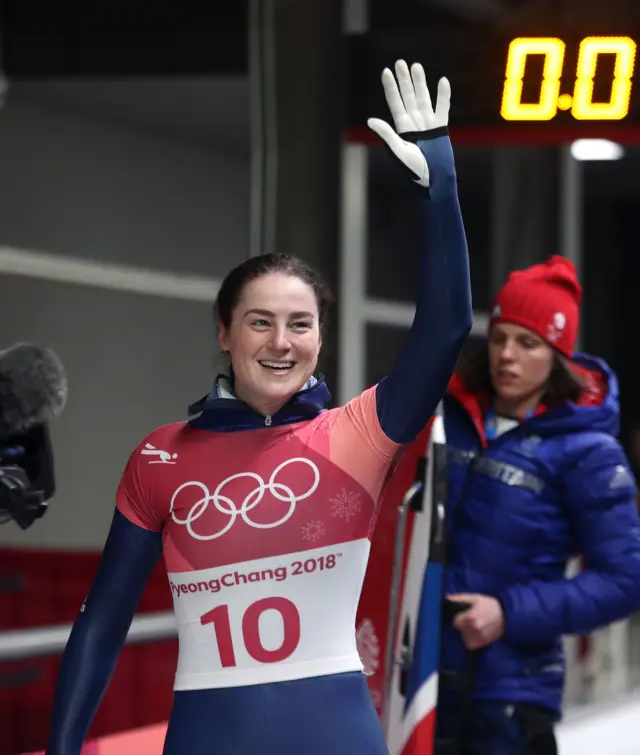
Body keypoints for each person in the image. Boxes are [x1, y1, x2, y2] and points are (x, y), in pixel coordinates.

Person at [45, 60, 472, 755]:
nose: (281, 342)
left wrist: (440, 188)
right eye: (259, 321)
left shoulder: (360, 432)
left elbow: (447, 327)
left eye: (300, 324)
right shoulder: (161, 457)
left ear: (322, 336)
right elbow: (100, 623)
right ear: (224, 332)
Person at [433, 255, 640, 755]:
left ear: (557, 355)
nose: (508, 355)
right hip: (422, 681)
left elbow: (626, 580)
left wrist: (509, 612)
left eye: (528, 343)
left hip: (510, 695)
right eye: (501, 336)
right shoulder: (448, 416)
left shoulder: (587, 451)